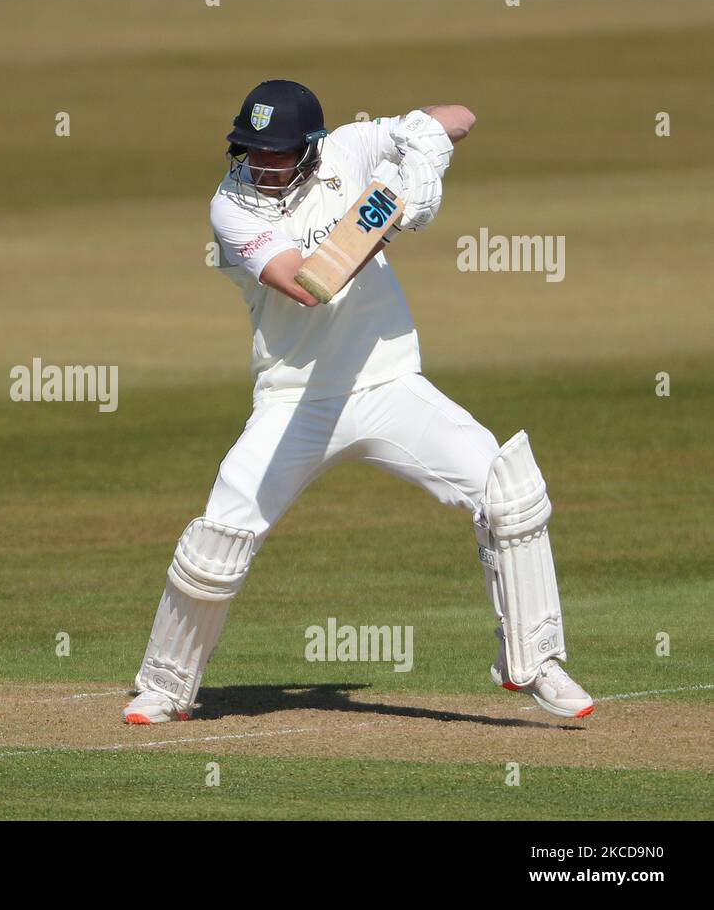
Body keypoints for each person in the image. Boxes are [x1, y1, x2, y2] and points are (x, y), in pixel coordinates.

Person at [122, 80, 593, 725]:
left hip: (389, 382)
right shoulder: (232, 207)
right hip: (296, 400)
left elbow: (458, 116)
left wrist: (423, 148)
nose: (262, 165)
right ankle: (166, 686)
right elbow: (309, 282)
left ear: (312, 148)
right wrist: (390, 204)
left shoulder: (351, 147)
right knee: (220, 536)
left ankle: (535, 662)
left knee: (507, 490)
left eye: (278, 153)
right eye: (251, 151)